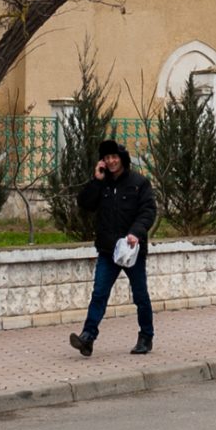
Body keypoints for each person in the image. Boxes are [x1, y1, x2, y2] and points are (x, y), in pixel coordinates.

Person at [68, 137, 157, 356]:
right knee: (99, 293)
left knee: (140, 296)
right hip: (108, 250)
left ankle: (146, 337)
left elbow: (148, 211)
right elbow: (85, 204)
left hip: (132, 251)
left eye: (114, 157)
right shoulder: (103, 183)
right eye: (107, 158)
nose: (111, 161)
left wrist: (135, 233)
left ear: (122, 159)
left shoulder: (139, 183)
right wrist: (96, 180)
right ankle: (87, 337)